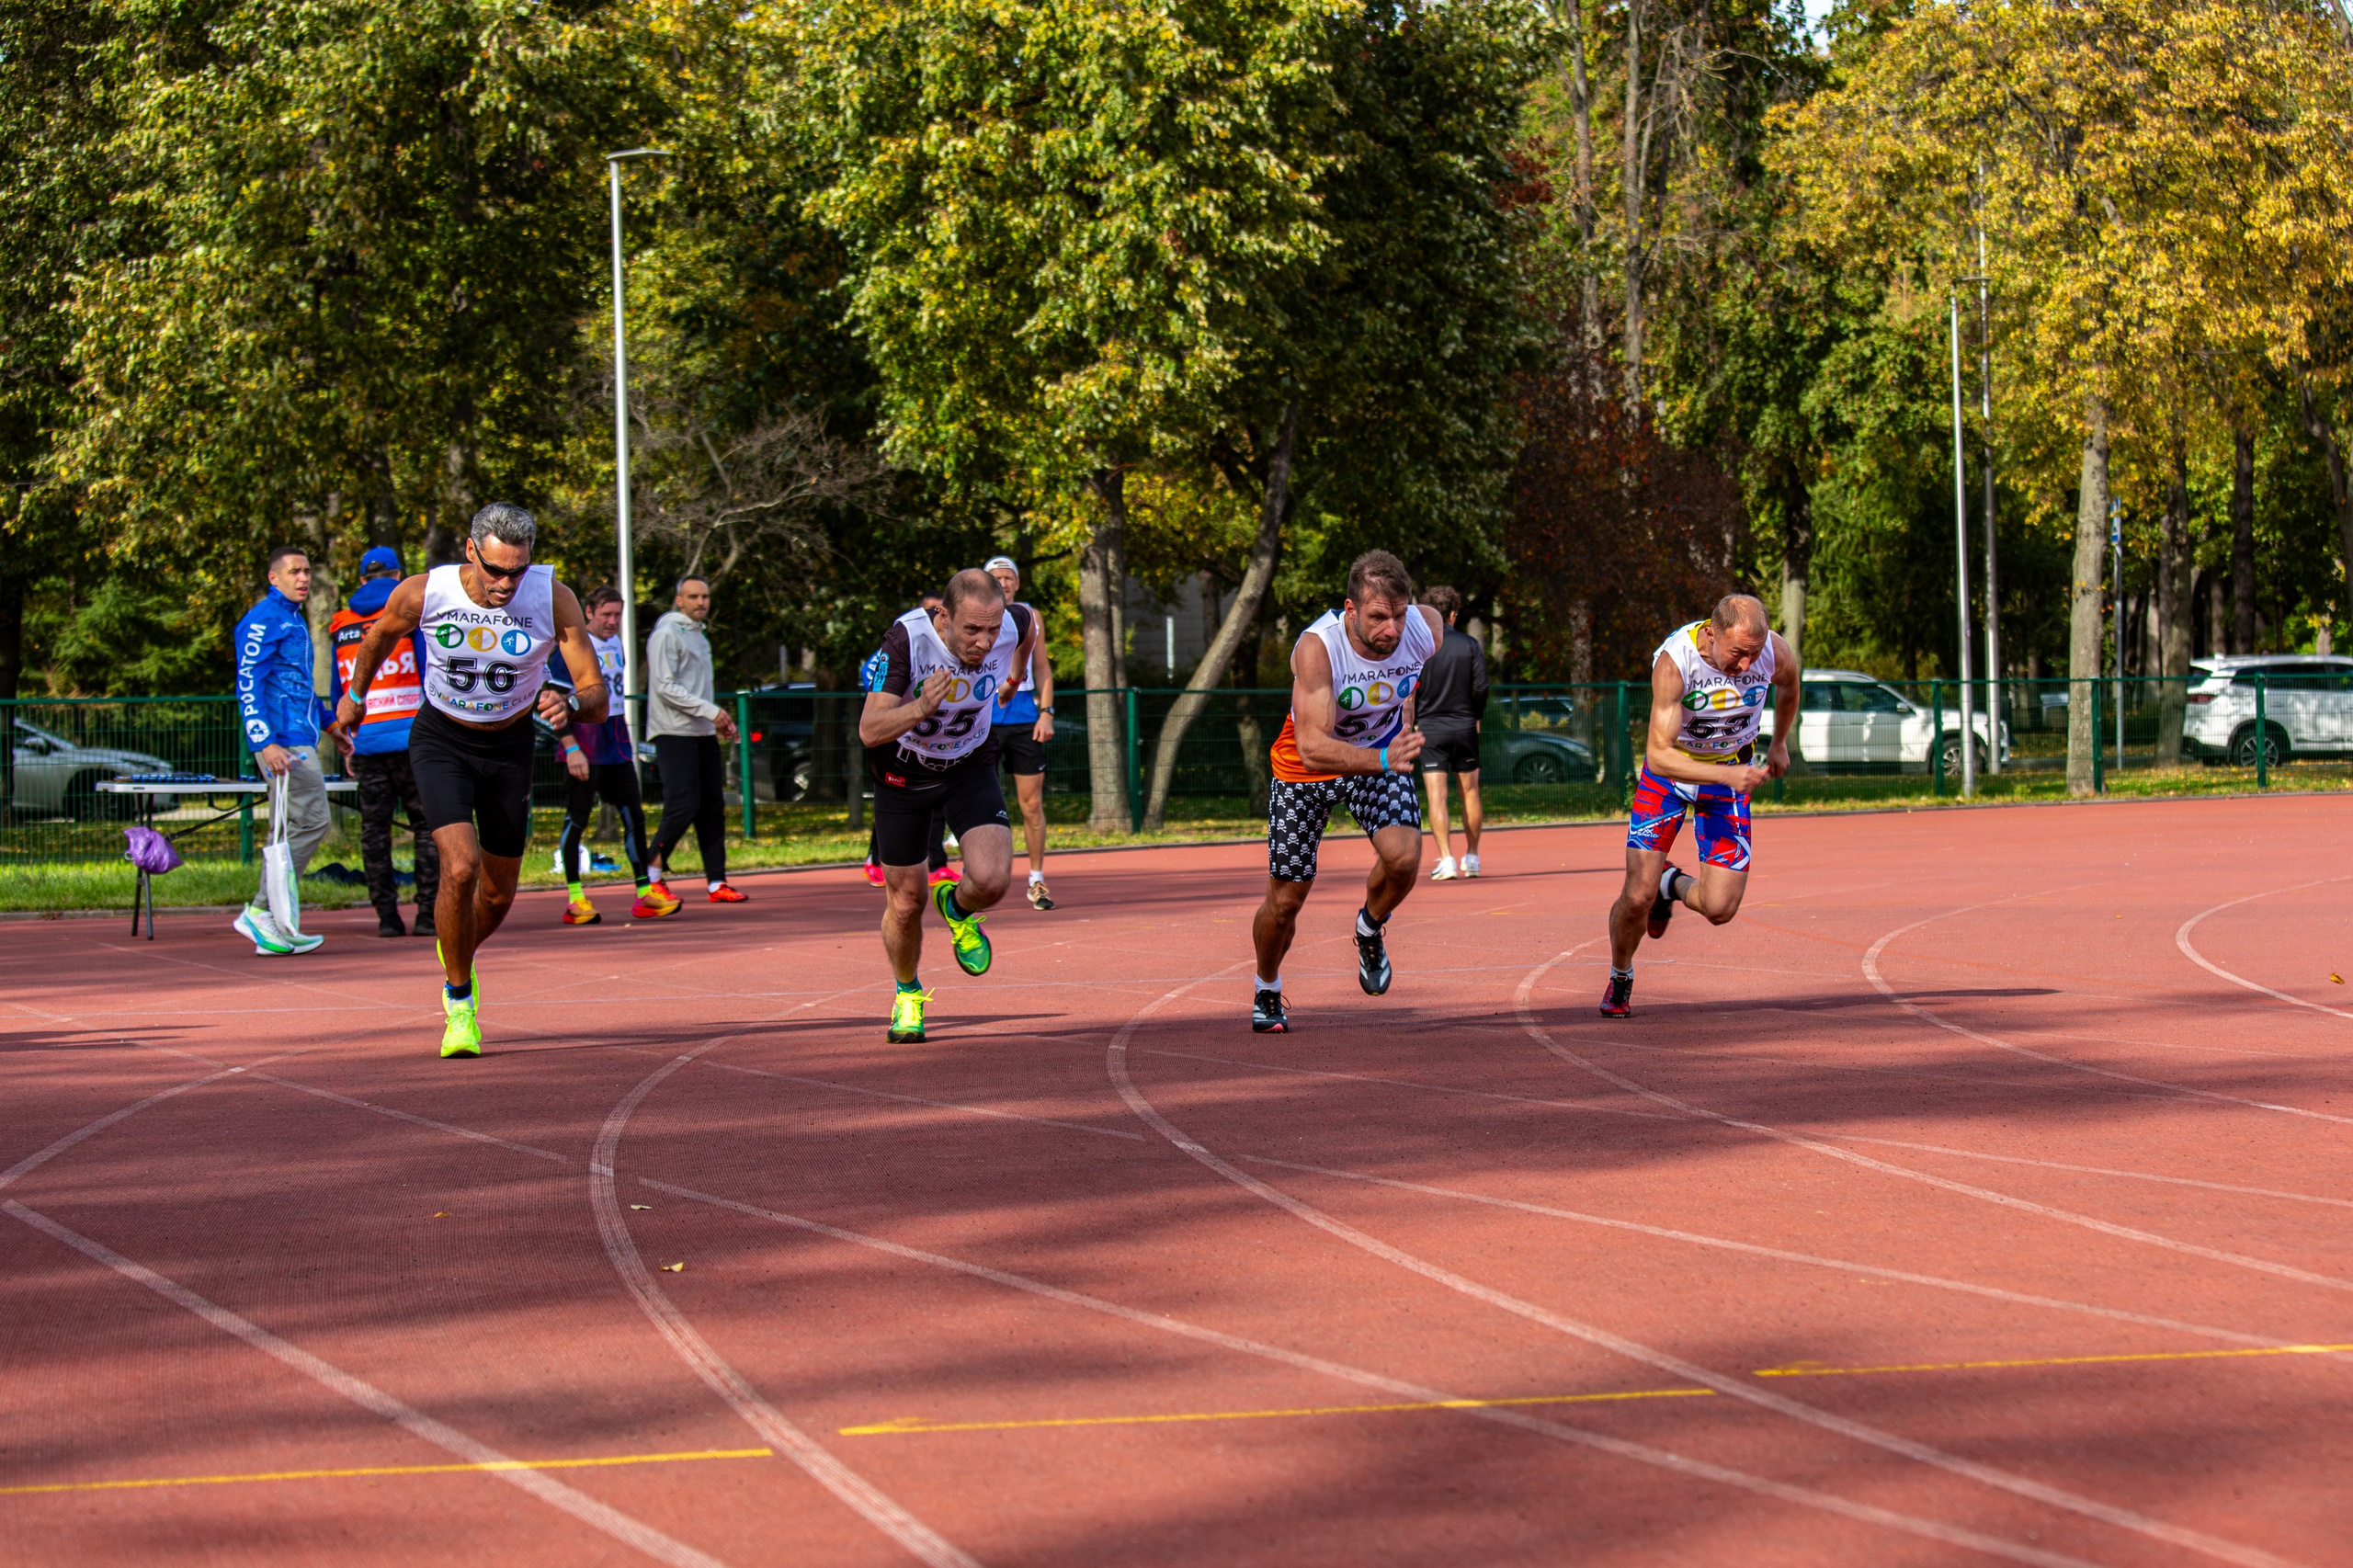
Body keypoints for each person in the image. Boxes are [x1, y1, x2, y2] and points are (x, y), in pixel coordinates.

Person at [330, 502, 606, 1058]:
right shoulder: (424, 592)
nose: (506, 583)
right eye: (495, 569)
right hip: (442, 741)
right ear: (471, 551)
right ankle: (459, 1001)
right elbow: (378, 637)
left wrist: (570, 704)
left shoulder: (553, 598)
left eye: (517, 571)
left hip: (509, 748)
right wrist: (355, 697)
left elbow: (596, 696)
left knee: (498, 895)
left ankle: (454, 944)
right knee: (460, 867)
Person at [1249, 551, 1443, 1033]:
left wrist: (1404, 714)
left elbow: (1411, 675)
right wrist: (1384, 758)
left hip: (1379, 756)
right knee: (1286, 901)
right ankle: (1267, 986)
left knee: (1405, 857)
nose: (1392, 630)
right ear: (1350, 610)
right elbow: (1313, 749)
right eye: (1378, 617)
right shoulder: (1319, 648)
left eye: (1399, 615)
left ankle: (1369, 927)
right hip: (1305, 769)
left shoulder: (1427, 629)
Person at [1600, 594, 1800, 1017]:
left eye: (1754, 654)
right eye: (1738, 653)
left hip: (1728, 777)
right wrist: (1726, 776)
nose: (1746, 665)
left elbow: (1790, 684)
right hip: (1670, 779)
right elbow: (1659, 756)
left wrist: (1780, 742)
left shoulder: (1773, 651)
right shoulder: (1676, 663)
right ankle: (1621, 975)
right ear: (1712, 633)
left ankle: (1669, 884)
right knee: (1636, 896)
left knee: (1720, 908)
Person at [860, 568, 1037, 1044]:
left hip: (968, 766)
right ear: (943, 616)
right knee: (906, 903)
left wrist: (1015, 676)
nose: (984, 642)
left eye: (992, 630)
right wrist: (920, 708)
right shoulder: (907, 642)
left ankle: (956, 908)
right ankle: (907, 993)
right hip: (903, 776)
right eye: (972, 629)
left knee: (993, 880)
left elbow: (1031, 627)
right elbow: (870, 730)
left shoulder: (1013, 622)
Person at [327, 546, 438, 937]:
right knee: (427, 826)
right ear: (398, 577)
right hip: (414, 741)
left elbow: (338, 690)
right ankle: (428, 915)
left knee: (375, 831)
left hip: (367, 742)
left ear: (362, 580)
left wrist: (346, 736)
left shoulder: (340, 626)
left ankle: (387, 918)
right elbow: (429, 673)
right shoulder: (409, 616)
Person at [554, 585, 677, 925]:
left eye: (618, 615)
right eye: (606, 614)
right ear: (588, 612)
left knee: (634, 817)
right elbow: (553, 701)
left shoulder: (617, 644)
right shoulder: (571, 647)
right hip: (584, 743)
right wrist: (570, 746)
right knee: (576, 820)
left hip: (616, 744)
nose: (612, 621)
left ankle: (644, 894)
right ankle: (575, 899)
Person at [232, 544, 329, 956]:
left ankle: (275, 922)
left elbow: (298, 684)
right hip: (283, 743)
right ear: (274, 578)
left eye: (307, 571)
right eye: (294, 572)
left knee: (286, 830)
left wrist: (331, 724)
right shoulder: (264, 619)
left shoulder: (292, 619)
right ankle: (261, 910)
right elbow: (248, 684)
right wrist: (265, 742)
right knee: (314, 821)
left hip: (296, 736)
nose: (303, 578)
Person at [645, 574, 745, 903]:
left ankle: (717, 882)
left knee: (713, 807)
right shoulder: (666, 634)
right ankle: (650, 873)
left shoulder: (700, 637)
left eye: (705, 596)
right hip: (673, 732)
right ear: (679, 600)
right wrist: (711, 711)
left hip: (702, 732)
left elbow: (699, 690)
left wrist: (717, 719)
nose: (701, 602)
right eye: (693, 597)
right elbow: (665, 687)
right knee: (683, 804)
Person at [862, 592, 956, 890]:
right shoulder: (904, 643)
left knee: (937, 804)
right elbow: (872, 674)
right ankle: (876, 858)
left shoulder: (952, 650)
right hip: (897, 740)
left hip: (936, 742)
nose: (937, 617)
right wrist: (894, 700)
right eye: (931, 611)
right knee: (893, 804)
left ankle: (936, 863)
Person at [983, 555, 1059, 910]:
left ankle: (1036, 880)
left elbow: (1043, 670)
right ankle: (976, 877)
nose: (1003, 583)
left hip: (1025, 719)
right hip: (984, 720)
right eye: (996, 577)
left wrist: (1046, 713)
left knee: (1031, 804)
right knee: (979, 802)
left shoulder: (1031, 616)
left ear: (1017, 583)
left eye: (1009, 577)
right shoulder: (975, 615)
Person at [1414, 585, 1489, 881]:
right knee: (1470, 792)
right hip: (1464, 726)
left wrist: (1415, 719)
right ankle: (1472, 857)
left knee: (1437, 796)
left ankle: (1446, 859)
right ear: (1453, 614)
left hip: (1430, 729)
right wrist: (1476, 716)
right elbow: (1481, 686)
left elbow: (1408, 688)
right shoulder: (1470, 645)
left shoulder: (1420, 648)